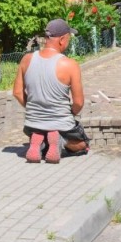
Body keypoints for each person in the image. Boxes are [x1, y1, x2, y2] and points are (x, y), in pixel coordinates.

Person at [13, 19, 89, 164]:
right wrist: (69, 113)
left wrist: (34, 108)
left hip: (32, 123)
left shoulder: (26, 59)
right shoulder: (70, 64)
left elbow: (17, 92)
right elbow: (79, 102)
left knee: (42, 133)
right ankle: (58, 139)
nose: (68, 42)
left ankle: (39, 140)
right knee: (82, 146)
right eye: (68, 38)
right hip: (61, 123)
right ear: (62, 39)